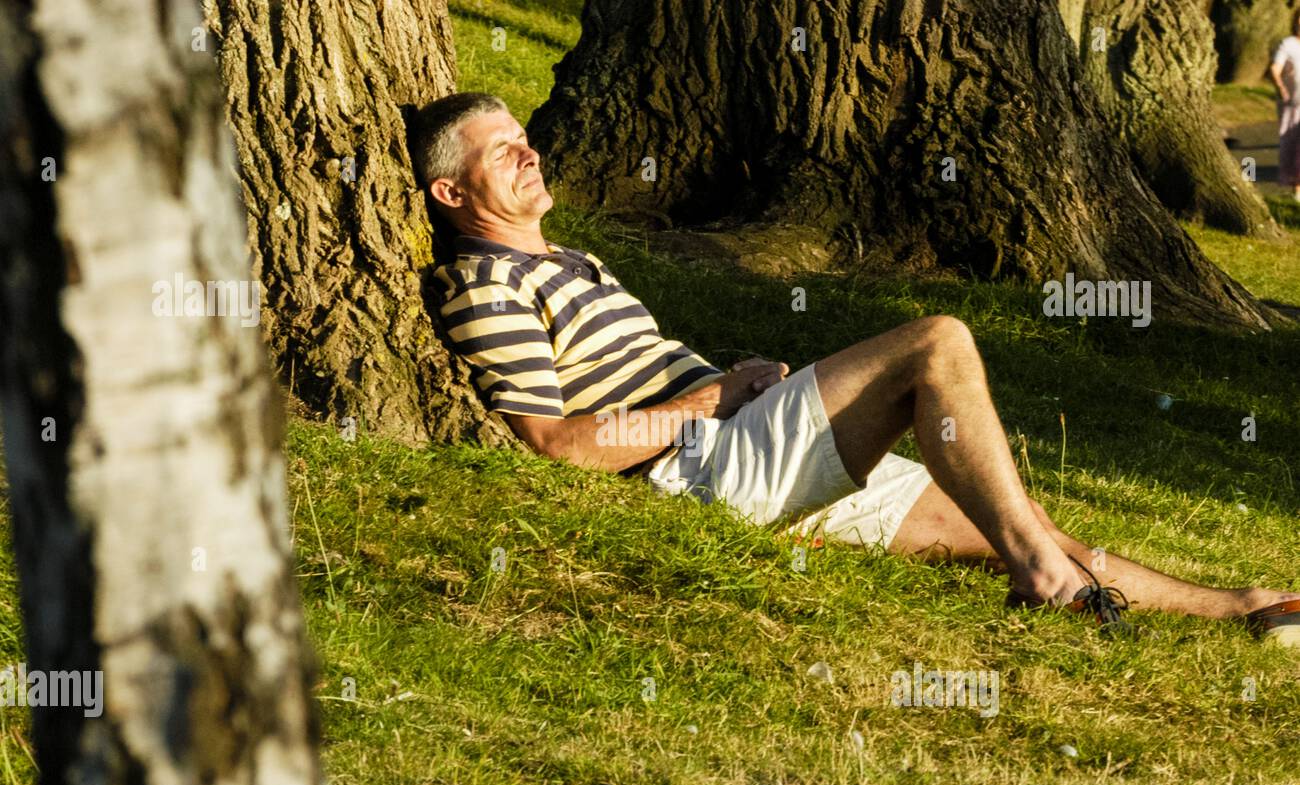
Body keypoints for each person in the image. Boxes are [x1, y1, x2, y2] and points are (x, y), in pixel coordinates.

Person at [410, 92, 1300, 643]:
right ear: (451, 192)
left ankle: (1244, 607)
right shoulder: (486, 283)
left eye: (524, 137)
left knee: (1010, 520)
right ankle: (1044, 580)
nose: (530, 153)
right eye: (502, 150)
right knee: (938, 342)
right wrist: (716, 395)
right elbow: (557, 445)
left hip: (742, 441)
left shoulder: (567, 260)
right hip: (704, 466)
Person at [1270, 10, 1300, 202]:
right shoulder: (1288, 44)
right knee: (1293, 145)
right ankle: (1297, 189)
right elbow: (1275, 68)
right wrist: (1280, 87)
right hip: (1293, 105)